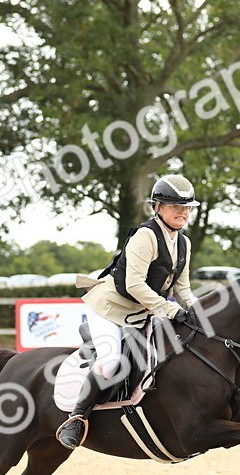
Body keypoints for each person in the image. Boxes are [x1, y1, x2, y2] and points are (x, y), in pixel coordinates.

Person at [56, 174, 199, 449]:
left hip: (143, 313)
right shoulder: (146, 236)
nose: (183, 212)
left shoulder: (184, 242)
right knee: (110, 362)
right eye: (174, 205)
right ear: (157, 207)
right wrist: (169, 309)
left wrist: (197, 310)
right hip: (110, 309)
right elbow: (134, 284)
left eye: (187, 206)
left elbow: (183, 287)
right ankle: (76, 418)